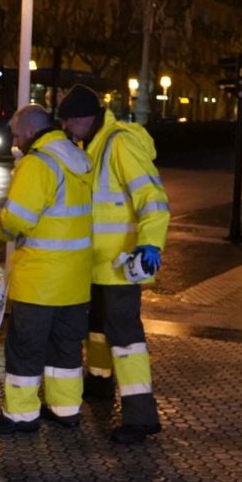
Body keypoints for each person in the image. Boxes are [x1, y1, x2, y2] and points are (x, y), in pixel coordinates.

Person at [58, 84, 169, 445]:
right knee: (99, 327)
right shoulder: (91, 145)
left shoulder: (118, 143)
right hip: (96, 261)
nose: (66, 128)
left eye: (69, 121)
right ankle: (100, 381)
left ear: (84, 119)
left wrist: (150, 244)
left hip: (121, 262)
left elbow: (151, 197)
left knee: (125, 336)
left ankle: (140, 414)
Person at [0, 103, 94, 435]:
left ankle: (21, 415)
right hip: (74, 280)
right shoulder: (79, 160)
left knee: (26, 348)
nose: (15, 142)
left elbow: (17, 219)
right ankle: (65, 410)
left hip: (40, 280)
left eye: (16, 135)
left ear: (30, 131)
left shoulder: (38, 163)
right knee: (66, 348)